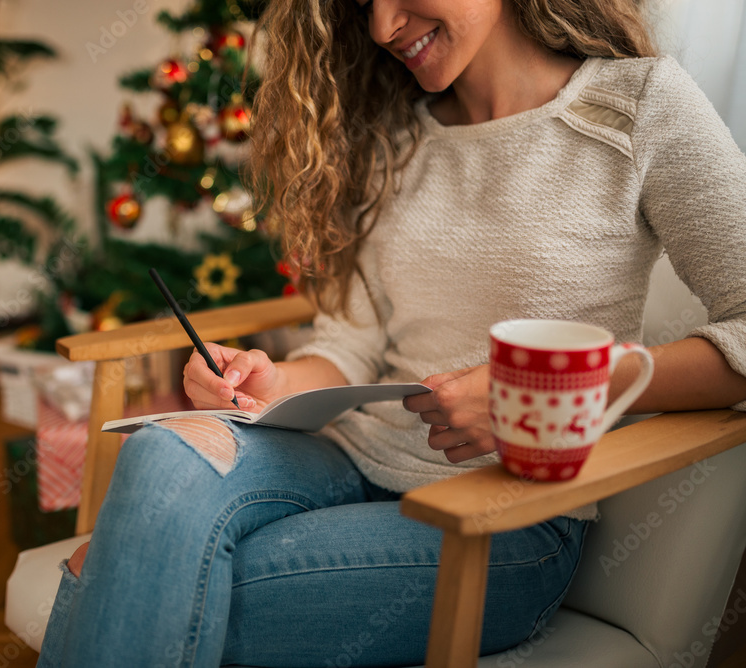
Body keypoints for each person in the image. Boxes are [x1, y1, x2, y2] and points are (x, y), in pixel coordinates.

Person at [38, 0, 746, 665]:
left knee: (138, 562)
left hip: (503, 520)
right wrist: (273, 381)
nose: (380, 25)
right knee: (161, 456)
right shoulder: (395, 137)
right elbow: (350, 342)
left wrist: (548, 396)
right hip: (343, 457)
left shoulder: (638, 107)